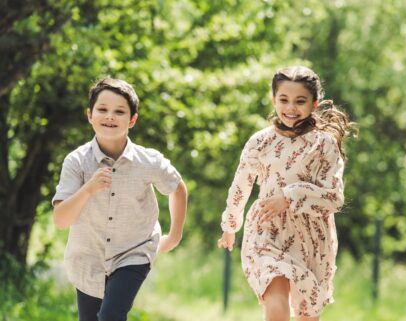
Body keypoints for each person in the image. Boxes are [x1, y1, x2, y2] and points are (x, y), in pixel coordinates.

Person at [218, 66, 356, 321]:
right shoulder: (260, 141)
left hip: (311, 237)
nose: (291, 108)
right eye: (284, 100)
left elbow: (334, 197)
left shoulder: (323, 144)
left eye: (300, 101)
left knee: (306, 314)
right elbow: (241, 184)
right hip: (266, 230)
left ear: (314, 104)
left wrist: (291, 197)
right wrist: (230, 224)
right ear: (274, 100)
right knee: (275, 302)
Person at [52, 78, 188, 321]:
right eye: (102, 110)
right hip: (88, 258)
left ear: (132, 120)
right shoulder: (77, 162)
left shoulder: (149, 161)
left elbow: (177, 188)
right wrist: (88, 190)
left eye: (119, 111)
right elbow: (61, 220)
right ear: (90, 115)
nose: (110, 116)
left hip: (134, 251)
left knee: (111, 316)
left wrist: (174, 235)